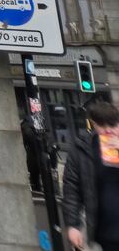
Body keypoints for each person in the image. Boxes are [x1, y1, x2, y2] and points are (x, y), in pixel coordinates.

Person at [61, 95, 119, 248]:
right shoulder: (82, 149)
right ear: (93, 124)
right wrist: (73, 225)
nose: (108, 130)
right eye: (102, 125)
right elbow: (71, 189)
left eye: (112, 125)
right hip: (107, 234)